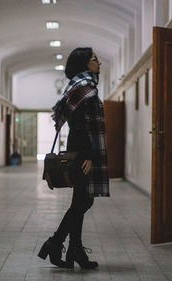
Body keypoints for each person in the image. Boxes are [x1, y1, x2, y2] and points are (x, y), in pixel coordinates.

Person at [37, 47, 110, 269]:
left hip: (79, 150)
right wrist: (88, 155)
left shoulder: (81, 86)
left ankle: (74, 250)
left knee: (80, 200)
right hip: (82, 152)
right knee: (84, 200)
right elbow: (79, 124)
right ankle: (56, 243)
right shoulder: (84, 87)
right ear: (85, 64)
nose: (99, 63)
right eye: (95, 59)